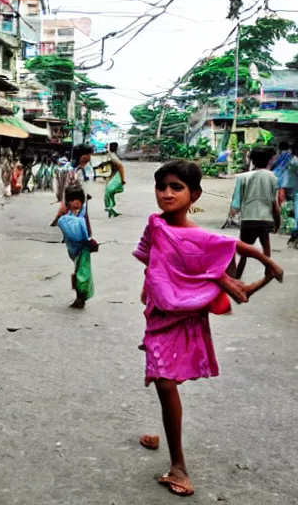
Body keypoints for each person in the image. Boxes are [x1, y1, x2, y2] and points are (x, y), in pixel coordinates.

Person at [134, 160, 283, 497]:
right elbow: (150, 257)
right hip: (159, 313)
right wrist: (155, 283)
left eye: (176, 188)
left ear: (194, 194)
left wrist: (267, 261)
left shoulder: (199, 235)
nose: (167, 194)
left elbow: (231, 245)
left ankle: (179, 465)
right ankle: (178, 462)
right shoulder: (155, 225)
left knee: (165, 382)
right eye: (162, 187)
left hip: (186, 315)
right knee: (164, 382)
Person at [230, 146, 280, 278]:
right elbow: (274, 203)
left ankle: (237, 275)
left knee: (243, 250)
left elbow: (236, 201)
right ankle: (268, 271)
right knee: (266, 246)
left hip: (248, 219)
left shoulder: (243, 177)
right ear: (269, 160)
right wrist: (277, 221)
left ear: (251, 160)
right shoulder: (273, 177)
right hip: (265, 219)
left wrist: (233, 212)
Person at [53, 186, 96, 309]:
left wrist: (89, 240)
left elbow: (86, 229)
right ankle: (79, 296)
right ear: (68, 202)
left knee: (81, 272)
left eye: (79, 200)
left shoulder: (82, 214)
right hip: (73, 248)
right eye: (73, 200)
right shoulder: (67, 215)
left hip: (83, 246)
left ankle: (81, 297)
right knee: (78, 270)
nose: (76, 203)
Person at [104, 142, 126, 218]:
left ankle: (111, 210)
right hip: (115, 176)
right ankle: (111, 209)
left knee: (109, 193)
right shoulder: (113, 156)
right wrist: (123, 179)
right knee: (110, 192)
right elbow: (121, 168)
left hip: (110, 176)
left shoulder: (109, 155)